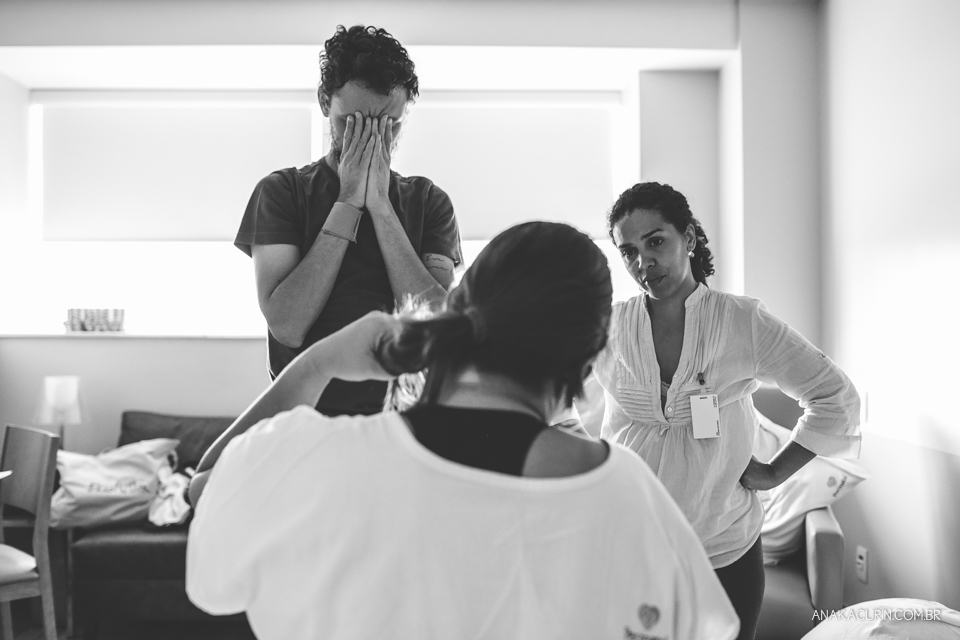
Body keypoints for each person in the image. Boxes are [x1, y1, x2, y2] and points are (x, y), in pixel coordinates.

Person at [186, 221, 740, 640]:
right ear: (594, 352)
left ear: (463, 313)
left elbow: (203, 487)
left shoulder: (316, 458)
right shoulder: (627, 497)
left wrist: (314, 364)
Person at [592, 182, 861, 640]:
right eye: (628, 251)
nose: (643, 262)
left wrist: (775, 472)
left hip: (724, 549)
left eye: (655, 241)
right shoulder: (609, 328)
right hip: (632, 543)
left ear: (689, 238)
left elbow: (836, 397)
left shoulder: (742, 322)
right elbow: (544, 393)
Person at [235, 24, 462, 416]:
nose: (373, 138)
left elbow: (436, 326)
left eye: (389, 124)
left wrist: (380, 206)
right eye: (353, 122)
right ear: (325, 102)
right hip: (305, 414)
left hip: (404, 416)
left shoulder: (429, 201)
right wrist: (348, 202)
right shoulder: (281, 192)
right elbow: (287, 325)